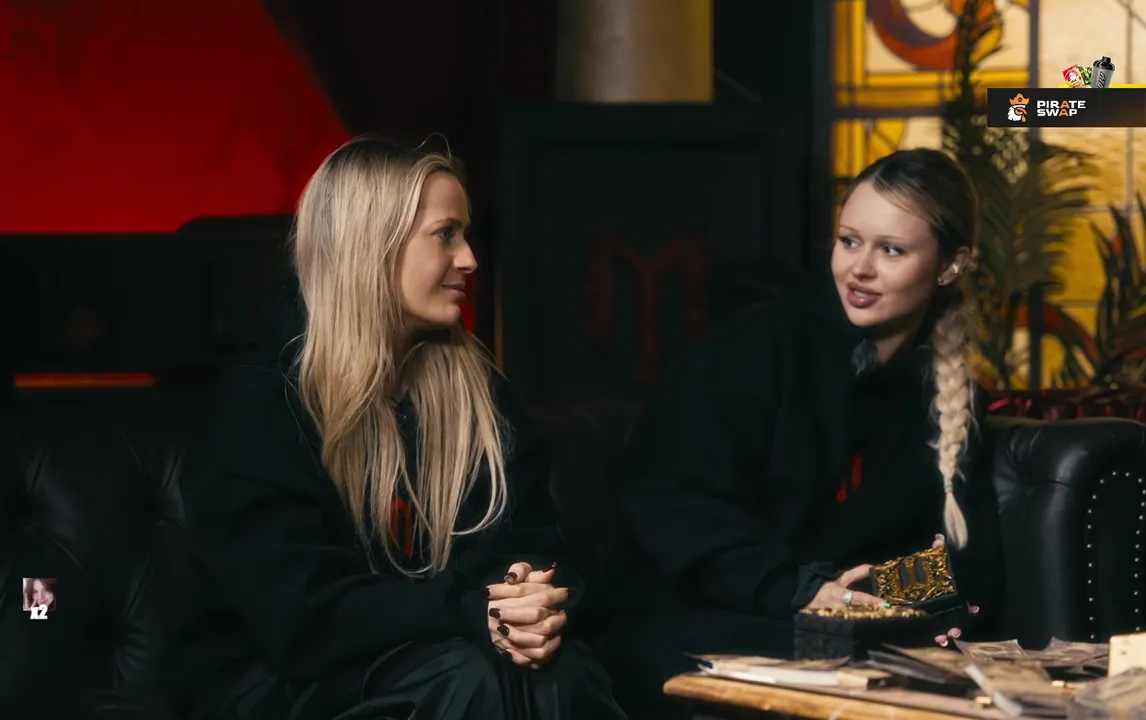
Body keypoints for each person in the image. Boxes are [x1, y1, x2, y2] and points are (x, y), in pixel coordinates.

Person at [169, 137, 625, 720]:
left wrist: (529, 599)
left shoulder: (478, 392)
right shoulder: (260, 403)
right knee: (467, 676)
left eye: (466, 234)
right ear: (373, 247)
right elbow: (302, 618)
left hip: (436, 656)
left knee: (556, 670)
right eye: (445, 234)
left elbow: (536, 545)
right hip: (276, 684)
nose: (470, 260)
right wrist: (476, 609)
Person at [591, 148, 1004, 718]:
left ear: (950, 265)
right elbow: (665, 498)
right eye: (849, 241)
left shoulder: (950, 399)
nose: (860, 269)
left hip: (832, 627)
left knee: (918, 670)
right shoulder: (758, 346)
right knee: (858, 669)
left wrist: (876, 587)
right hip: (690, 613)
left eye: (891, 250)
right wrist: (798, 587)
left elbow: (969, 563)